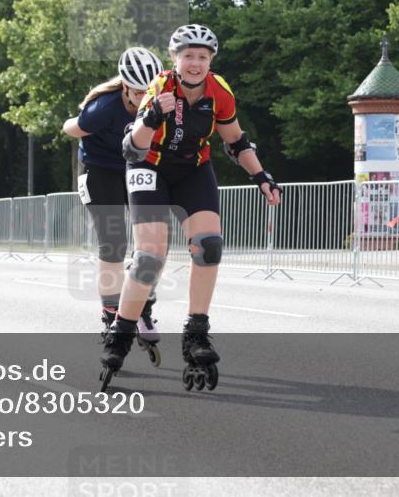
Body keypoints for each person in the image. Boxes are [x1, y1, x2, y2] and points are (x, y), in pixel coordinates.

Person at [100, 24, 281, 392]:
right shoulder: (159, 87)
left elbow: (235, 141)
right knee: (149, 257)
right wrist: (150, 118)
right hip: (149, 165)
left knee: (209, 246)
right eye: (188, 56)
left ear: (210, 61)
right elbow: (132, 148)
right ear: (175, 59)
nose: (195, 63)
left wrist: (261, 175)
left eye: (202, 57)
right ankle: (120, 333)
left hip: (193, 168)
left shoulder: (220, 92)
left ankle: (196, 332)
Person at [63, 47, 164, 362]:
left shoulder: (162, 101)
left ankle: (142, 305)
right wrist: (76, 121)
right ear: (125, 88)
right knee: (113, 243)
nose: (144, 98)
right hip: (100, 169)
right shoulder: (105, 107)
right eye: (137, 93)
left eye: (150, 91)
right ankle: (110, 314)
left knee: (149, 246)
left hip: (139, 167)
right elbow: (72, 128)